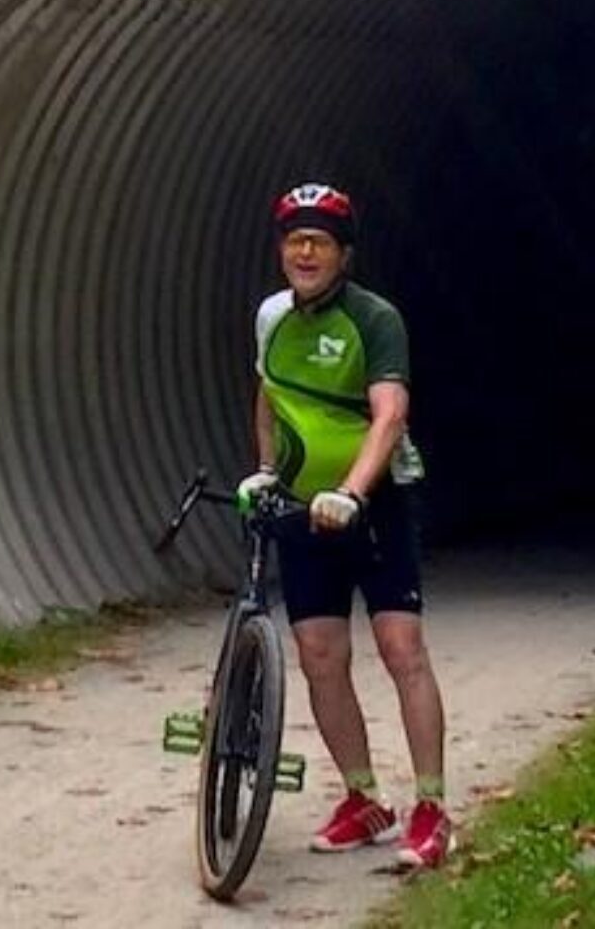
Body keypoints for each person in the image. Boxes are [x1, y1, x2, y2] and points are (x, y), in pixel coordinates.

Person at [235, 182, 453, 869]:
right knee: (320, 655)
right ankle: (364, 800)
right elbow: (270, 394)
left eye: (320, 242)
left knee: (400, 647)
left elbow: (389, 415)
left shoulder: (374, 319)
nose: (305, 252)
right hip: (303, 506)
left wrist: (353, 491)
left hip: (375, 503)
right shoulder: (273, 317)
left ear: (344, 254)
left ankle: (431, 808)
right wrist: (265, 470)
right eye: (294, 240)